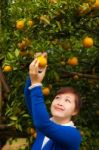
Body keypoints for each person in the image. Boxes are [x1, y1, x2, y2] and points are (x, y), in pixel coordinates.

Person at [24, 53, 82, 150]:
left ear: (75, 111)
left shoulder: (73, 135)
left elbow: (43, 124)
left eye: (67, 100)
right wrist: (35, 71)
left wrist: (36, 84)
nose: (60, 102)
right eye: (57, 98)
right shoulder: (43, 128)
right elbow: (29, 95)